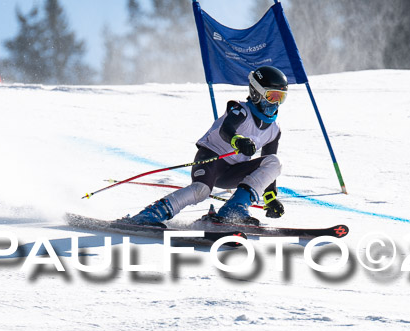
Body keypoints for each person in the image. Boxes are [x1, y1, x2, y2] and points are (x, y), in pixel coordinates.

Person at [123, 65, 288, 227]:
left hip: (233, 172)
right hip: (212, 159)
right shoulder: (241, 110)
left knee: (275, 162)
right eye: (272, 96)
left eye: (281, 98)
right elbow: (226, 130)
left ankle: (234, 210)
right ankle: (151, 214)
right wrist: (237, 140)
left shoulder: (274, 129)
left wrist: (270, 198)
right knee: (201, 190)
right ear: (256, 93)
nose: (276, 103)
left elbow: (267, 165)